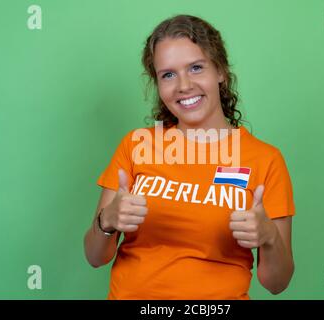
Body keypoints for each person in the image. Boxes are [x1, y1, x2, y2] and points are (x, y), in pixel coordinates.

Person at [83, 14, 296, 300]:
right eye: (168, 74)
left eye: (196, 68)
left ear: (219, 70)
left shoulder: (265, 160)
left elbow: (277, 283)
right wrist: (106, 221)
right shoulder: (136, 146)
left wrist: (269, 237)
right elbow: (95, 257)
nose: (183, 85)